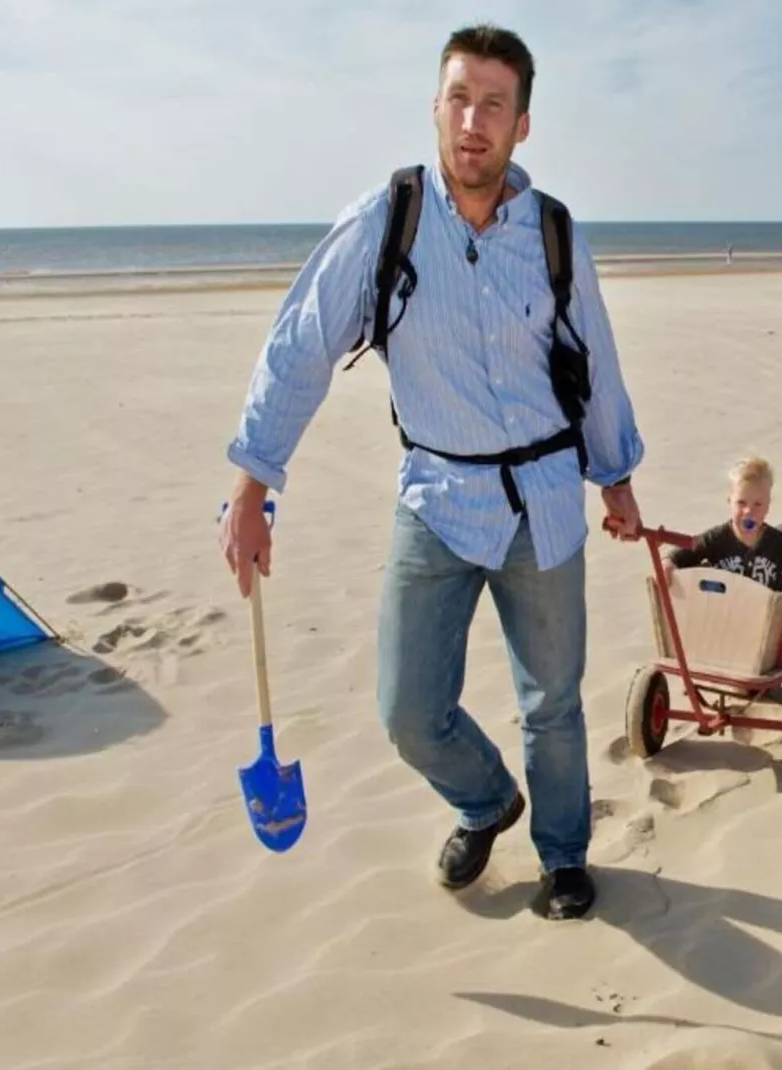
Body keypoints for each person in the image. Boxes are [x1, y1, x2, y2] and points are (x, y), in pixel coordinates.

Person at [216, 24, 646, 921]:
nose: (473, 121)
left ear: (523, 124)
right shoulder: (389, 221)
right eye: (459, 98)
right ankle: (486, 801)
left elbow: (595, 361)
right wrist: (255, 484)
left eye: (494, 104)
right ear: (435, 108)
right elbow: (300, 344)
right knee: (408, 709)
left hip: (545, 504)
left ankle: (564, 855)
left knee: (553, 705)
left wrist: (616, 477)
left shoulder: (556, 233)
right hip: (438, 500)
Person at [666, 459, 782, 592]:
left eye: (758, 504)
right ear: (730, 502)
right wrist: (669, 562)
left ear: (767, 506)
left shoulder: (776, 542)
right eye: (741, 503)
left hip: (767, 616)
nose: (748, 511)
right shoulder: (717, 538)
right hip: (727, 610)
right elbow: (689, 550)